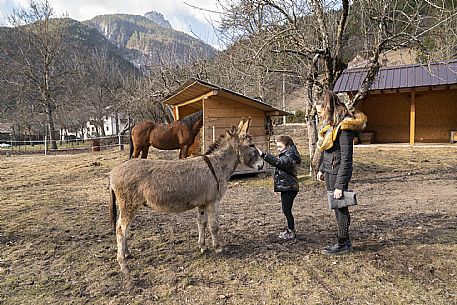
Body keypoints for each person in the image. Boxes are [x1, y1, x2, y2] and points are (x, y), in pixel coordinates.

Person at [316, 90, 367, 255]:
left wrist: (340, 185)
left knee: (341, 207)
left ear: (328, 108)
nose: (319, 116)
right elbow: (329, 150)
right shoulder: (333, 126)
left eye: (320, 112)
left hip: (338, 173)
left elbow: (346, 159)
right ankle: (345, 241)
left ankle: (342, 243)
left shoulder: (344, 127)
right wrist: (322, 169)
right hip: (330, 171)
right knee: (336, 207)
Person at [257, 135, 301, 240]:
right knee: (286, 210)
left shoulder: (290, 157)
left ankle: (291, 231)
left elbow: (278, 163)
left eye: (280, 147)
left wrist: (263, 155)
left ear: (288, 146)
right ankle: (290, 229)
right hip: (287, 187)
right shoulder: (288, 154)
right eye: (277, 147)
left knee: (287, 210)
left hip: (289, 188)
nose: (278, 149)